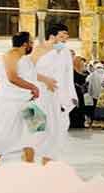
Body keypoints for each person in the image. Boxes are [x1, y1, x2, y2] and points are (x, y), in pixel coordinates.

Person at [0, 32, 41, 169]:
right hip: (10, 101)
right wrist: (33, 87)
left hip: (27, 100)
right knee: (6, 132)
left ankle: (30, 162)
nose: (33, 45)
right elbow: (12, 77)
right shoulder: (11, 55)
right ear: (25, 44)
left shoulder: (25, 58)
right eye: (31, 42)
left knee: (35, 130)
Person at [32, 23, 76, 165]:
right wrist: (46, 80)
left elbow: (67, 75)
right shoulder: (39, 49)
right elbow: (28, 70)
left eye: (66, 36)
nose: (65, 39)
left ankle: (48, 159)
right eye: (62, 36)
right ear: (52, 36)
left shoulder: (64, 52)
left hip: (56, 94)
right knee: (37, 126)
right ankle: (29, 158)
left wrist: (70, 94)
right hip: (38, 91)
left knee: (55, 127)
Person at [70, 56, 89, 129]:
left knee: (81, 106)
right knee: (74, 106)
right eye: (80, 62)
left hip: (80, 92)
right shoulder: (71, 71)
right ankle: (74, 123)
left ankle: (80, 122)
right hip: (74, 91)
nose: (82, 63)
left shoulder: (82, 71)